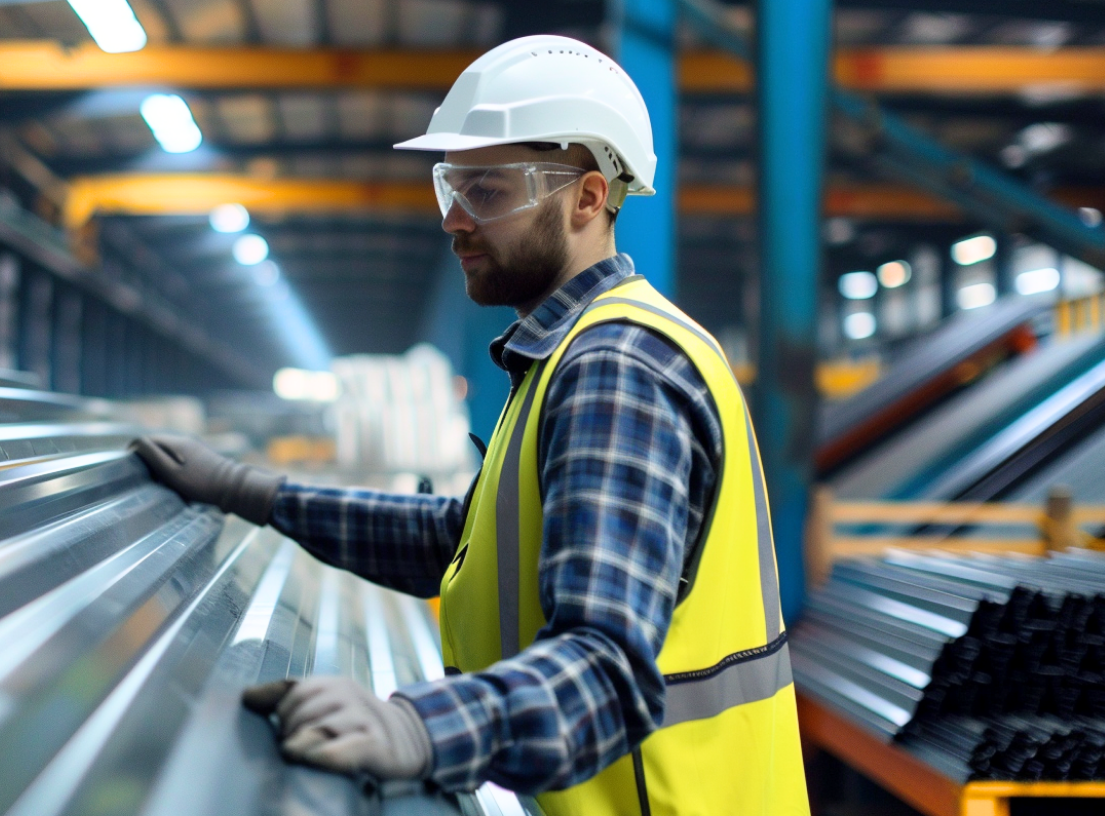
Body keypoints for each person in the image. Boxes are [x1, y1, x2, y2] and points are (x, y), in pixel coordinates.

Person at [134, 34, 809, 815]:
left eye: (487, 192)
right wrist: (252, 492)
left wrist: (418, 729)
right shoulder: (568, 355)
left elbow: (605, 676)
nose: (453, 219)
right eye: (450, 185)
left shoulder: (616, 369)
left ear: (589, 198)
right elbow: (460, 542)